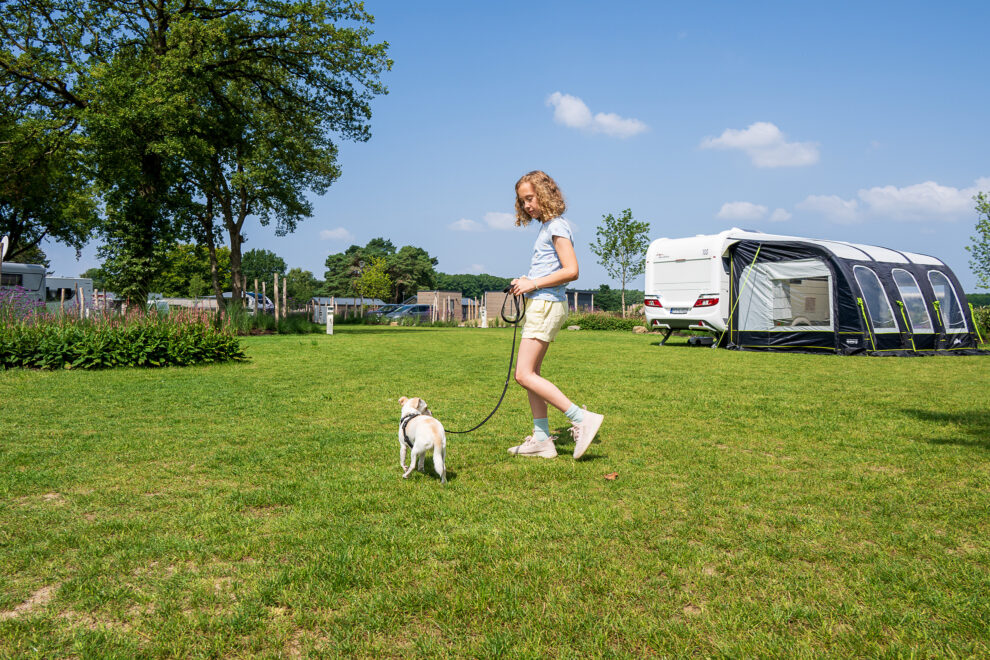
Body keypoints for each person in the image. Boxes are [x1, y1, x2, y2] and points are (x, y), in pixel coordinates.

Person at [507, 170, 604, 459]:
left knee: (523, 374)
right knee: (531, 374)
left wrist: (533, 284)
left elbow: (571, 270)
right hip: (543, 302)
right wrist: (526, 281)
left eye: (530, 198)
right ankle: (541, 440)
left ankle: (581, 418)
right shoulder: (548, 227)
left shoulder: (557, 226)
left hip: (547, 304)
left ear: (544, 194)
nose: (526, 206)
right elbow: (552, 269)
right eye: (522, 201)